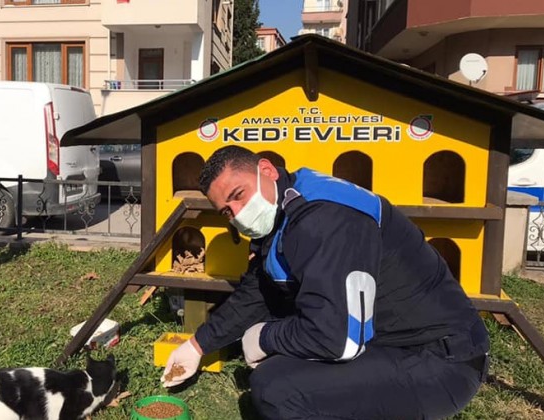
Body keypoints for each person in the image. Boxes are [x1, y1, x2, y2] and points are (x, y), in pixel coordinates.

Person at [161, 145, 489, 419]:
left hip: (442, 361)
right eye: (227, 211)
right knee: (280, 358)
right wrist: (197, 345)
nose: (238, 213)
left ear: (267, 170)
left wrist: (265, 337)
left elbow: (336, 340)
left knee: (275, 390)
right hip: (390, 339)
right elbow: (256, 292)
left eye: (239, 195)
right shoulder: (283, 205)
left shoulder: (321, 220)